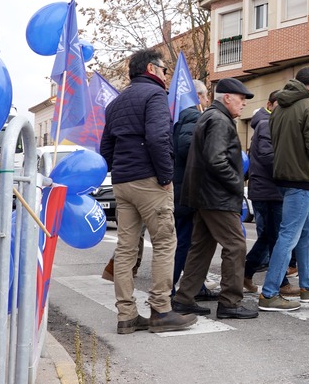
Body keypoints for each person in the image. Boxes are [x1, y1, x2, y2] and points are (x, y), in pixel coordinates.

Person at [100, 49, 196, 334]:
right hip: (150, 181)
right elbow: (157, 137)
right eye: (165, 70)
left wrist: (120, 169)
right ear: (153, 69)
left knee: (126, 248)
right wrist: (166, 175)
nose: (167, 76)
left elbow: (106, 148)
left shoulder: (116, 103)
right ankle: (161, 310)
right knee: (165, 242)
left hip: (122, 181)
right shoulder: (155, 96)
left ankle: (126, 315)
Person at [172, 78, 260, 318]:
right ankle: (230, 303)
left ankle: (183, 299)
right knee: (235, 245)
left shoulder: (210, 117)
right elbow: (216, 159)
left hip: (204, 195)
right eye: (241, 100)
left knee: (201, 247)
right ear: (228, 97)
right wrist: (236, 183)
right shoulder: (220, 120)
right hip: (217, 196)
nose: (243, 105)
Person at [258, 67, 309, 312]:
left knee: (305, 233)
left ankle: (308, 286)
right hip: (300, 178)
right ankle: (269, 293)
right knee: (289, 236)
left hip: (282, 178)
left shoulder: (279, 107)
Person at [172, 79, 217, 300]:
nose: (208, 99)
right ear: (197, 97)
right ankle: (168, 289)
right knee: (185, 243)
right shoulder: (193, 117)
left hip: (182, 189)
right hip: (186, 191)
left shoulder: (181, 117)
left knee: (191, 243)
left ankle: (196, 287)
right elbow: (188, 148)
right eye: (205, 95)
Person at [244, 91, 293, 293]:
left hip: (269, 189)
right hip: (268, 190)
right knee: (275, 237)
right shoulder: (267, 124)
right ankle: (280, 284)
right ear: (270, 105)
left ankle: (245, 273)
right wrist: (292, 167)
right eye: (279, 105)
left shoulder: (269, 123)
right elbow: (268, 156)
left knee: (268, 236)